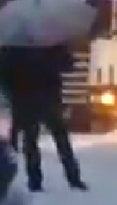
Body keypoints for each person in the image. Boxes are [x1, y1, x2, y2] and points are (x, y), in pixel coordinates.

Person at [0, 44, 87, 192]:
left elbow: (3, 75)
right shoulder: (49, 43)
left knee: (31, 142)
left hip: (25, 99)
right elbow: (67, 65)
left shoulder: (13, 46)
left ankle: (35, 182)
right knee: (61, 139)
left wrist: (13, 95)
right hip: (49, 97)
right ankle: (73, 179)